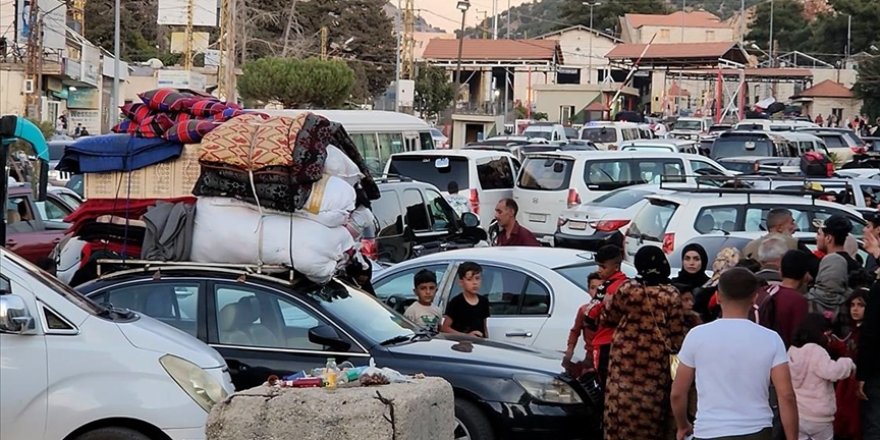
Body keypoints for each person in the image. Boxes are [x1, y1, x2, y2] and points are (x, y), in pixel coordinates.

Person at [671, 268, 799, 440]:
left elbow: (678, 392)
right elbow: (786, 395)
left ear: (718, 297)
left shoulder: (697, 336)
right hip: (757, 430)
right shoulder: (771, 339)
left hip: (709, 430)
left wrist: (682, 425)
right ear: (754, 298)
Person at [602, 246, 686, 440]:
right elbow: (676, 335)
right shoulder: (670, 294)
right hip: (654, 366)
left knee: (619, 413)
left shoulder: (626, 289)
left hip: (623, 362)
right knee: (650, 416)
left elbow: (609, 318)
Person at [788, 313, 856, 440]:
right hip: (819, 417)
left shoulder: (793, 351)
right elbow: (832, 372)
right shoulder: (816, 351)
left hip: (798, 413)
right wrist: (847, 363)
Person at [583, 245, 629, 385]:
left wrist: (589, 319)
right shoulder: (629, 284)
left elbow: (591, 313)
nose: (599, 270)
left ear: (616, 267)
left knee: (603, 382)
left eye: (603, 267)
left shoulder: (606, 287)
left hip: (605, 341)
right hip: (623, 342)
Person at [828, 290, 867, 440]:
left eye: (860, 305)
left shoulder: (865, 332)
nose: (855, 309)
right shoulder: (853, 329)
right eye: (852, 305)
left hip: (858, 380)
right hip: (847, 381)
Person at [757, 250, 812, 348]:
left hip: (761, 348)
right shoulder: (799, 301)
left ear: (780, 271)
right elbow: (799, 337)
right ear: (805, 275)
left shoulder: (765, 291)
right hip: (784, 353)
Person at [808, 215, 858, 321]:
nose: (816, 238)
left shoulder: (822, 265)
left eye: (819, 234)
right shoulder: (855, 266)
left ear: (829, 238)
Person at [441, 262, 489, 338]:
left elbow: (484, 327)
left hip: (479, 345)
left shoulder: (484, 301)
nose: (474, 283)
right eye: (469, 279)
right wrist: (466, 336)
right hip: (460, 345)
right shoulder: (456, 302)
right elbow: (445, 328)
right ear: (461, 282)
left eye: (477, 278)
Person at [857, 282, 879, 439]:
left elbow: (870, 332)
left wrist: (862, 375)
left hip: (876, 370)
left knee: (874, 423)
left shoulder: (877, 290)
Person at [564, 272, 603, 361]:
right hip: (590, 356)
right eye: (593, 288)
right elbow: (575, 331)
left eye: (600, 288)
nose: (596, 292)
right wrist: (570, 350)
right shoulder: (584, 310)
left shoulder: (613, 310)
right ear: (588, 290)